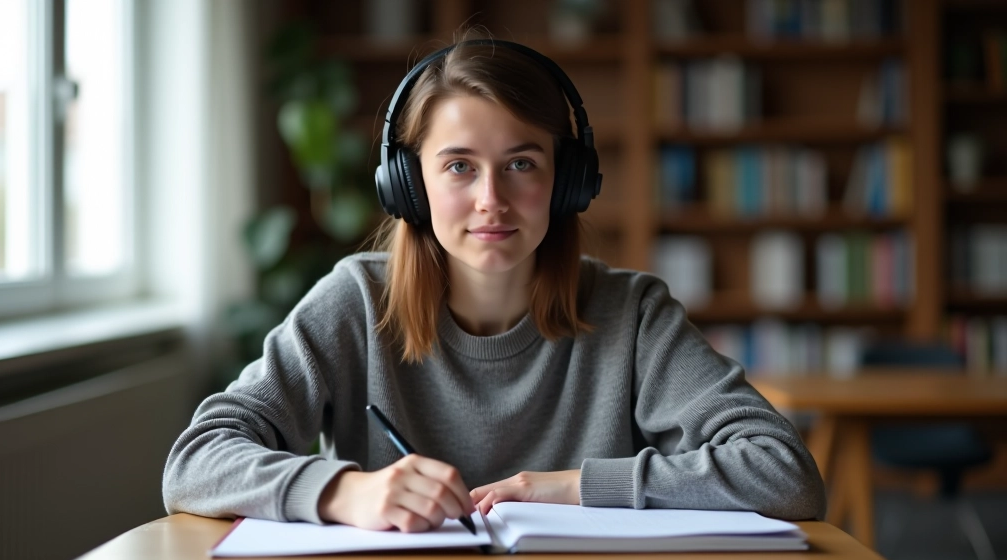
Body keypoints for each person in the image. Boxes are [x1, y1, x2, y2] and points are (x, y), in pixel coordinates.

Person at [162, 35, 826, 534]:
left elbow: (785, 475)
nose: (491, 199)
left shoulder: (632, 314)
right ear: (409, 184)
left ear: (566, 182)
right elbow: (196, 461)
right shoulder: (355, 301)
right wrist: (345, 492)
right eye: (458, 166)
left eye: (521, 163)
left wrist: (575, 487)